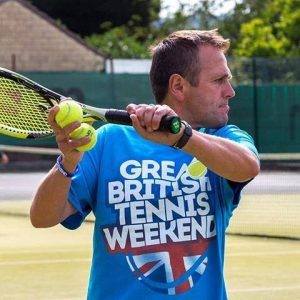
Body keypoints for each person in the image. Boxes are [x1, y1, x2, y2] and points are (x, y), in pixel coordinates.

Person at [31, 29, 260, 299]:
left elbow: (248, 166)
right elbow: (42, 217)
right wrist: (68, 161)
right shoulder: (108, 141)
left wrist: (181, 137)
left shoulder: (223, 140)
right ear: (178, 87)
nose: (230, 91)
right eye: (219, 80)